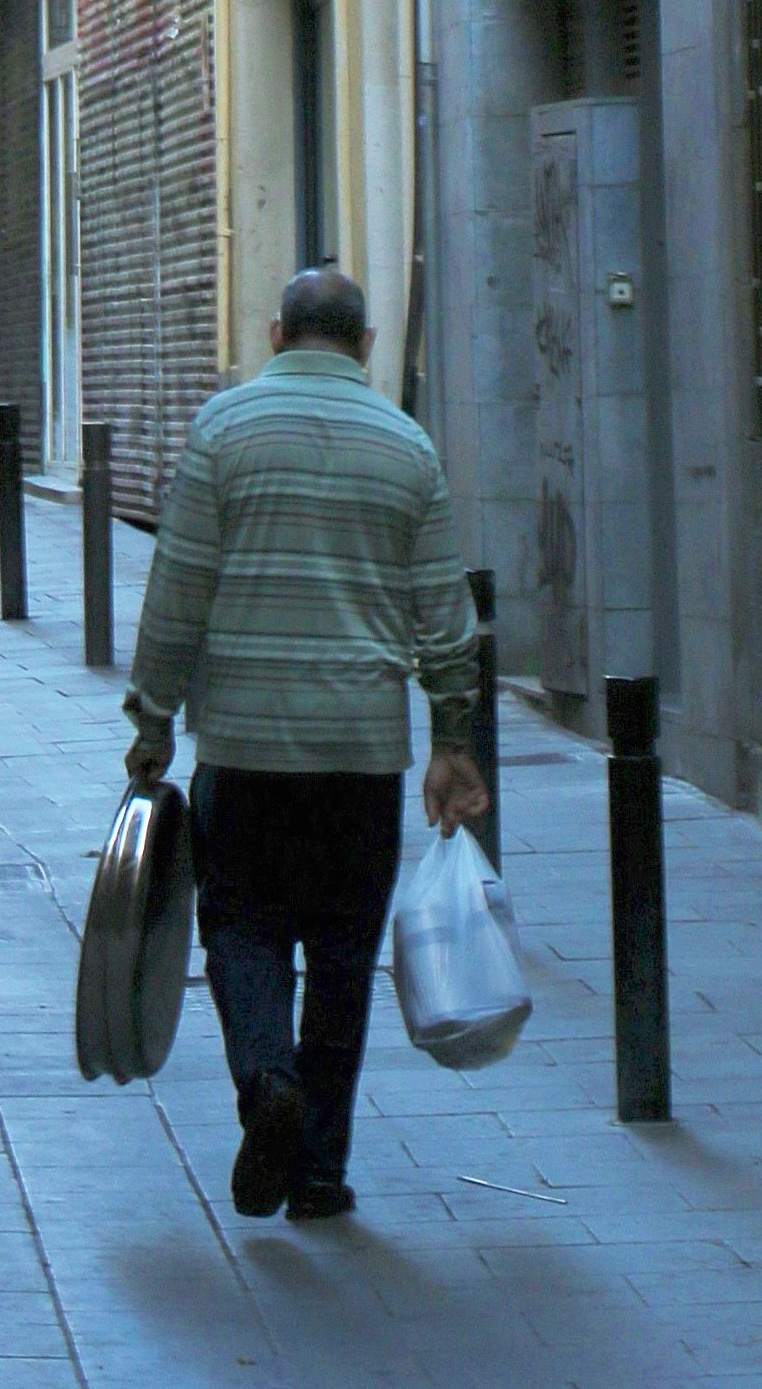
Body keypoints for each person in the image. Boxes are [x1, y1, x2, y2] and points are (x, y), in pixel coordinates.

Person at [122, 263, 488, 1225]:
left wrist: (152, 719)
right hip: (361, 753)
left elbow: (178, 591)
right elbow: (445, 618)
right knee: (339, 951)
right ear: (365, 345)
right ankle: (319, 1170)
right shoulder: (408, 447)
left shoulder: (222, 430)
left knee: (240, 926)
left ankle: (265, 1082)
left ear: (274, 329)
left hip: (242, 744)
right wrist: (452, 738)